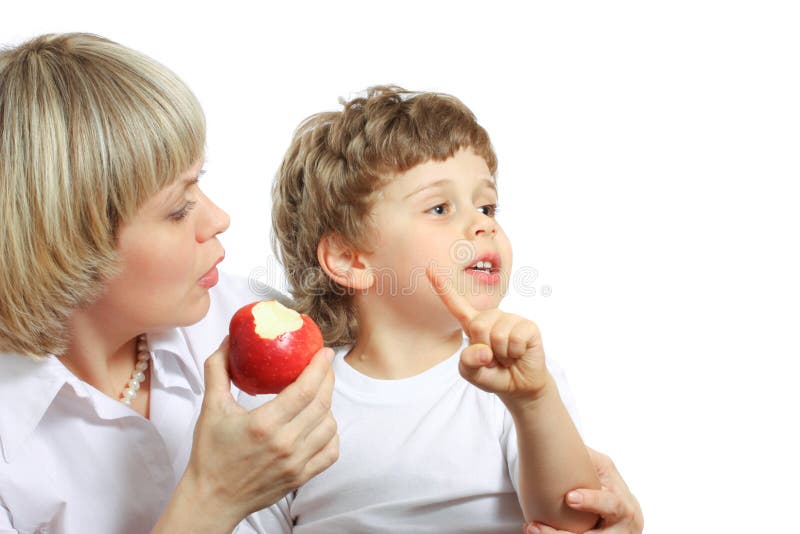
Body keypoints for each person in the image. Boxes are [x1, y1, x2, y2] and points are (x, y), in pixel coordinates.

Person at [0, 33, 338, 533]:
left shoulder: (245, 313)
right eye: (179, 209)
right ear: (67, 242)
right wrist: (212, 499)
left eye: (199, 181)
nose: (218, 218)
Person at [244, 86, 604, 533]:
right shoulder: (296, 403)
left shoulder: (518, 380)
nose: (483, 224)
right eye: (439, 208)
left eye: (487, 205)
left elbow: (574, 520)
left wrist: (532, 401)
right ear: (350, 258)